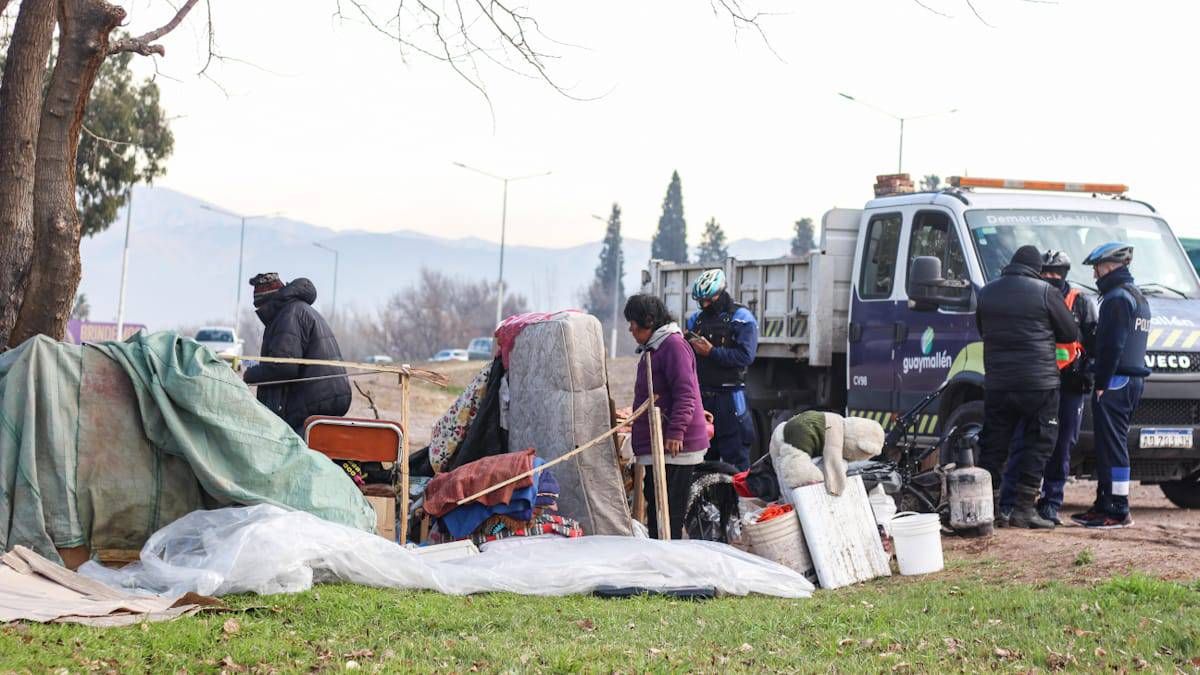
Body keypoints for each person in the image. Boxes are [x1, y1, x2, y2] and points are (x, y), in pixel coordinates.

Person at [976, 245, 1079, 529]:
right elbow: (1069, 332)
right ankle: (1024, 509)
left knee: (994, 446)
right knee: (1039, 442)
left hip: (998, 384)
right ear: (1036, 269)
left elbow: (981, 330)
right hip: (1039, 384)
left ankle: (990, 510)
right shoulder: (1046, 292)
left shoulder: (987, 292)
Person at [998, 251, 1097, 525]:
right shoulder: (1033, 297)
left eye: (1057, 273)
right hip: (1036, 382)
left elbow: (1092, 341)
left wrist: (1090, 373)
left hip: (1069, 384)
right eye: (1047, 273)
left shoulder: (1080, 302)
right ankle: (1008, 503)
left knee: (1062, 445)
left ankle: (1051, 503)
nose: (1052, 278)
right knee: (1023, 442)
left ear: (1065, 274)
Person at [1072, 242, 1150, 529]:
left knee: (1114, 445)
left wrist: (1102, 382)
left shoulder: (1117, 298)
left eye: (1097, 268)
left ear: (1110, 266)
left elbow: (1112, 345)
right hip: (1130, 380)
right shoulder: (1137, 296)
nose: (1095, 275)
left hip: (1116, 381)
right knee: (1107, 444)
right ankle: (1103, 503)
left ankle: (1117, 509)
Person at [625, 294, 709, 540]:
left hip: (674, 447)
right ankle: (658, 555)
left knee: (669, 510)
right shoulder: (655, 347)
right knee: (656, 503)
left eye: (633, 322)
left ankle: (668, 564)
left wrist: (676, 431)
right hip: (660, 443)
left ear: (648, 320)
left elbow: (685, 391)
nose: (630, 328)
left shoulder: (673, 345)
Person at [242, 273, 351, 434]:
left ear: (268, 302)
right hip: (328, 396)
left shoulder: (288, 315)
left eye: (260, 308)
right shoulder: (299, 309)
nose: (260, 313)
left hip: (314, 401)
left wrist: (249, 375)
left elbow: (284, 367)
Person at [686, 269, 759, 472]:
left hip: (731, 398)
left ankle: (740, 503)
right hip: (702, 396)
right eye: (701, 301)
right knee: (701, 458)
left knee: (736, 458)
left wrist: (712, 352)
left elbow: (746, 356)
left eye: (709, 300)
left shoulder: (742, 318)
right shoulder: (695, 321)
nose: (705, 305)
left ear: (720, 293)